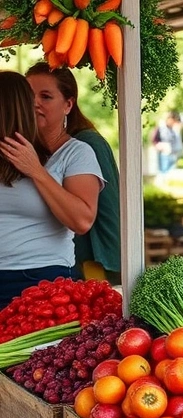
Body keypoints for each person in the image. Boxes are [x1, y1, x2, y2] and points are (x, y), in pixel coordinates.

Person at [0, 71, 102, 418]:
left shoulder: (74, 153)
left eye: (47, 96)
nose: (39, 105)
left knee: (31, 405)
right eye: (32, 97)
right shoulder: (8, 151)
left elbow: (83, 219)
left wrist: (36, 170)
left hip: (43, 290)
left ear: (67, 103)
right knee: (11, 406)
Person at [26, 63, 121, 283]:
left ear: (68, 104)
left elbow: (108, 212)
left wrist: (111, 266)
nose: (35, 103)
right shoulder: (31, 148)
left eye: (46, 96)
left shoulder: (86, 145)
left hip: (91, 263)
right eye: (28, 95)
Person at [152, 111, 181, 176]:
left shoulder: (174, 129)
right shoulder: (161, 127)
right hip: (164, 153)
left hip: (173, 153)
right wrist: (159, 146)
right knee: (163, 171)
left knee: (170, 172)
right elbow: (154, 139)